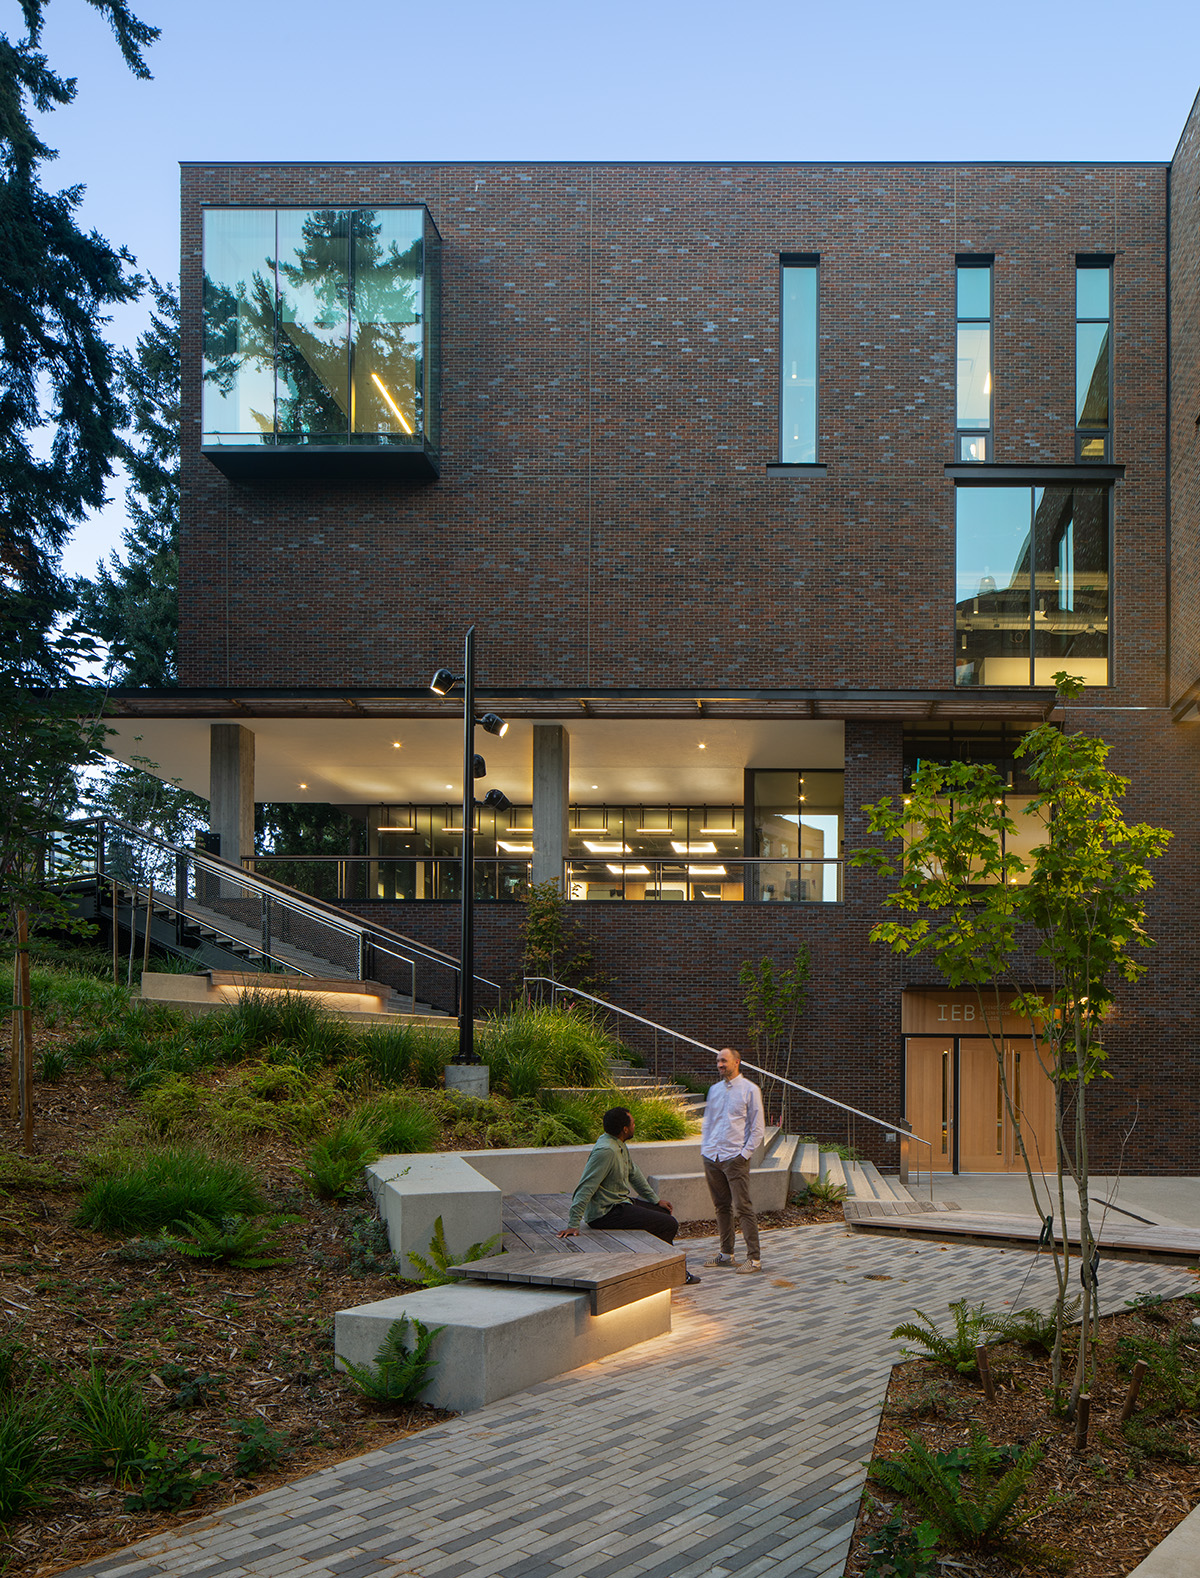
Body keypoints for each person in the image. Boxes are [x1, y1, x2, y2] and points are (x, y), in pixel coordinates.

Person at [557, 1107, 700, 1283]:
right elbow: (586, 1186)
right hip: (605, 1213)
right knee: (668, 1224)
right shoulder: (606, 1151)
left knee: (663, 1214)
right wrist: (573, 1223)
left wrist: (655, 1200)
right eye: (632, 1123)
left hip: (619, 1203)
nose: (635, 1125)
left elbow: (634, 1174)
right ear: (625, 1129)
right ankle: (671, 1274)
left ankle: (659, 1267)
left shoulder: (619, 1145)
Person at [701, 1047, 765, 1273]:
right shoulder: (714, 1090)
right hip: (712, 1157)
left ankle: (754, 1259)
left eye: (724, 1061)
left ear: (737, 1062)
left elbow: (757, 1128)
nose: (720, 1065)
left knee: (743, 1207)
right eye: (718, 1061)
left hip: (734, 1158)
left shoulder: (750, 1090)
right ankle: (726, 1253)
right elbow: (708, 1123)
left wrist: (743, 1155)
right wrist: (705, 1149)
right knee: (721, 1207)